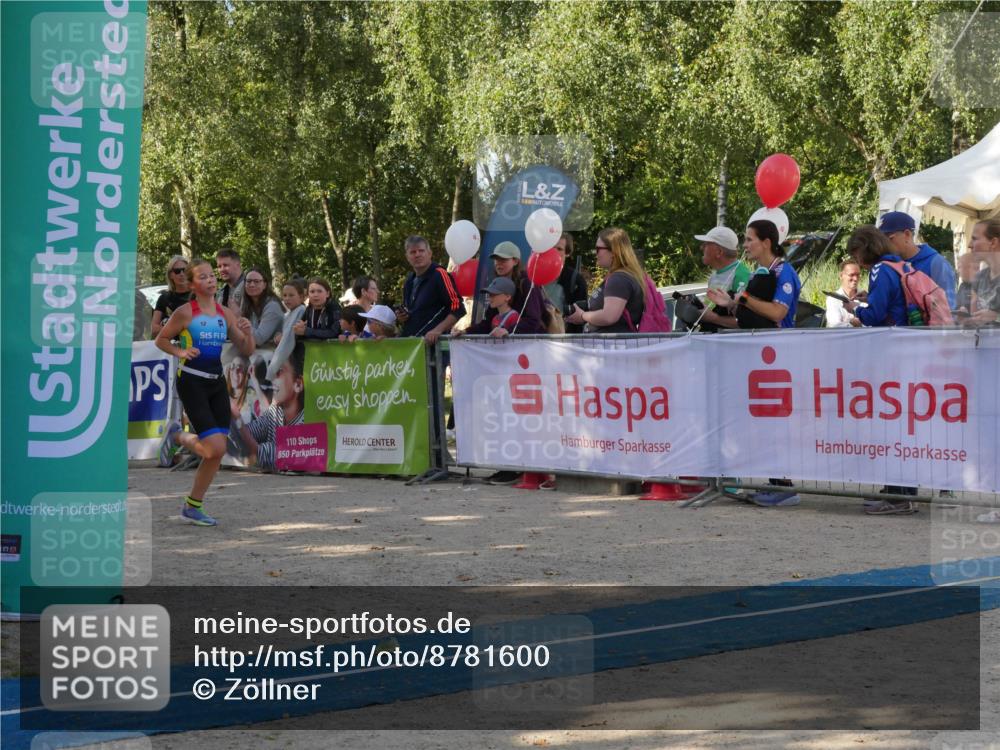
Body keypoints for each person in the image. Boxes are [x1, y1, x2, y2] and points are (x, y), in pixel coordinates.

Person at [156, 258, 256, 526]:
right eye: (203, 277)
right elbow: (161, 339)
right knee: (215, 447)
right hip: (191, 382)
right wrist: (181, 351)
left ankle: (192, 506)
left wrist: (248, 332)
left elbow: (247, 349)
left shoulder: (225, 313)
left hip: (215, 384)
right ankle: (177, 434)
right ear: (191, 284)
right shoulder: (186, 312)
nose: (211, 280)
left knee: (215, 453)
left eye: (212, 276)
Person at [706, 219, 801, 330]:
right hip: (759, 341)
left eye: (749, 240)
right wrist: (730, 303)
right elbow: (753, 315)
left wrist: (744, 298)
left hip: (779, 342)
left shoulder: (784, 271)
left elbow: (777, 313)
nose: (744, 245)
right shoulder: (759, 272)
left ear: (766, 243)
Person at [231, 342, 305, 473]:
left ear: (298, 384)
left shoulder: (307, 420)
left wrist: (237, 420)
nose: (270, 377)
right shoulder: (276, 410)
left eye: (279, 371)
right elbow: (252, 431)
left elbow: (278, 454)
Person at [564, 227, 646, 333]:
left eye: (598, 249)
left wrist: (582, 316)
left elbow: (609, 316)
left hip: (612, 346)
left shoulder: (619, 279)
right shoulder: (623, 276)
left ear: (613, 252)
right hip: (612, 345)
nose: (595, 253)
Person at [877, 211, 956, 307]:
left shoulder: (936, 263)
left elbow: (948, 308)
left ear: (907, 234)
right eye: (881, 241)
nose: (884, 245)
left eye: (889, 239)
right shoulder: (890, 264)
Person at [398, 235, 466, 343]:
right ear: (407, 257)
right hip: (413, 347)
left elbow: (458, 308)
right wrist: (403, 317)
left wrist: (438, 330)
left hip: (435, 348)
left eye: (421, 251)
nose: (417, 255)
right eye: (413, 252)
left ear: (429, 253)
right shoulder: (409, 281)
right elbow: (414, 313)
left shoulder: (440, 274)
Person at [468, 242, 546, 335]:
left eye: (503, 260)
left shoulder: (527, 283)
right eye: (496, 259)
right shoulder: (497, 283)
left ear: (515, 261)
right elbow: (488, 323)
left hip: (533, 345)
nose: (498, 264)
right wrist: (465, 331)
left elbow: (534, 321)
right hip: (512, 346)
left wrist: (508, 331)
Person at [842, 226, 907, 327]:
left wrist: (854, 308)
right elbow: (895, 301)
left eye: (856, 256)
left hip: (890, 334)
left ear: (864, 249)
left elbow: (874, 316)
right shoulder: (899, 264)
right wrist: (871, 298)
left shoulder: (880, 269)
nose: (858, 262)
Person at [695, 226, 749, 330]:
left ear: (719, 252)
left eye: (706, 244)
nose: (701, 248)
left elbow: (747, 322)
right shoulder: (715, 275)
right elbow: (709, 311)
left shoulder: (741, 276)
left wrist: (715, 319)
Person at [545, 233, 589, 333]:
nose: (554, 252)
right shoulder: (535, 275)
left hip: (563, 339)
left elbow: (580, 317)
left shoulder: (576, 280)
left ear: (567, 253)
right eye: (551, 248)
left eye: (559, 249)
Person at [454, 277, 520, 338]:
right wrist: (464, 331)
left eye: (494, 294)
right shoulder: (495, 318)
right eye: (489, 295)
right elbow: (483, 328)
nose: (489, 297)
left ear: (508, 297)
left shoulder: (514, 316)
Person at [966, 218, 1000, 326]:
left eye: (975, 239)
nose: (970, 245)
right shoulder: (979, 277)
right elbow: (975, 317)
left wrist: (996, 317)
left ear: (993, 242)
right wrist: (966, 317)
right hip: (983, 342)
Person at [240, 267, 284, 347]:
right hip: (256, 352)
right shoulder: (248, 304)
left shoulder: (272, 306)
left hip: (274, 354)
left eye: (256, 281)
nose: (252, 284)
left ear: (264, 285)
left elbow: (259, 339)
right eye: (248, 281)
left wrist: (236, 318)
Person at [151, 255, 192, 338]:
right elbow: (154, 329)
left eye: (184, 270)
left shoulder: (198, 295)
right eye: (177, 271)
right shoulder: (164, 298)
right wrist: (179, 329)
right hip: (169, 347)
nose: (181, 274)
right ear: (170, 275)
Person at [825, 260, 864, 328]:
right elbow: (835, 326)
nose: (855, 278)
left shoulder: (864, 298)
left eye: (858, 275)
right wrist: (853, 324)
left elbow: (873, 323)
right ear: (841, 276)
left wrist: (857, 324)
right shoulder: (833, 299)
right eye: (851, 275)